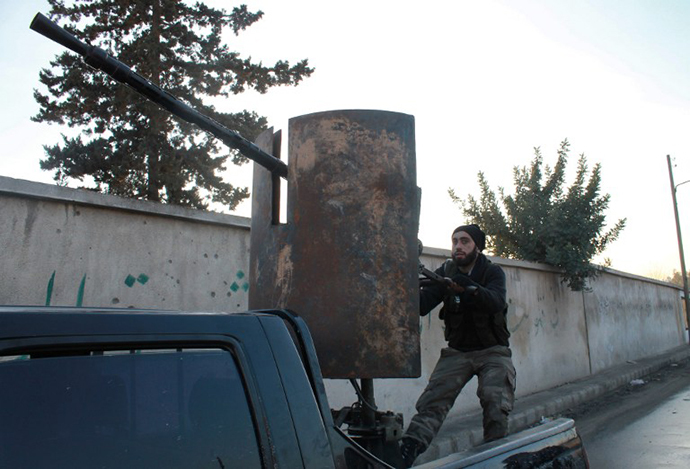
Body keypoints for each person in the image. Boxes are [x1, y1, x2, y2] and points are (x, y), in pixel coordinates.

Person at [400, 224, 516, 467]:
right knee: (432, 403)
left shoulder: (492, 272)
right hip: (458, 352)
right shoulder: (446, 271)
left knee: (495, 400)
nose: (458, 246)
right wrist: (404, 282)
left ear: (477, 246)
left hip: (493, 351)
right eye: (455, 241)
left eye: (465, 241)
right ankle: (404, 455)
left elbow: (495, 301)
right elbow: (422, 305)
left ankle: (496, 458)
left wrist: (467, 287)